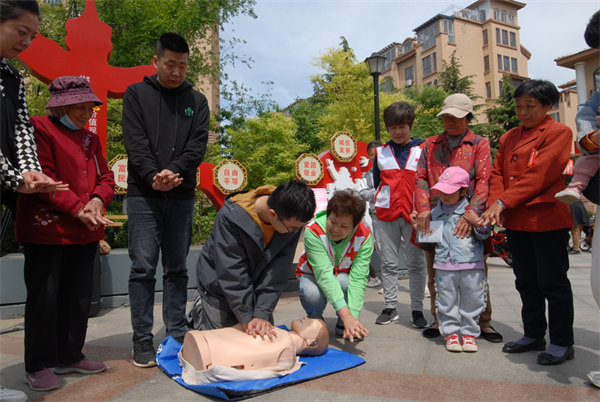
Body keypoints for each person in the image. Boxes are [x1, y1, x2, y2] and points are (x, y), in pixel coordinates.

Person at [15, 76, 115, 391]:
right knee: (45, 298)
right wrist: (78, 208)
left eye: (89, 108)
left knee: (78, 296)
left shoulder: (90, 140)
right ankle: (39, 363)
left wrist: (98, 200)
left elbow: (106, 176)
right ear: (61, 106)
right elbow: (43, 177)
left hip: (85, 230)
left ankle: (70, 354)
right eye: (80, 107)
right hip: (48, 229)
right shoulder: (39, 128)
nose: (87, 114)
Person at [122, 32, 209, 368]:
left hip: (181, 193)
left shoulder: (197, 102)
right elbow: (135, 141)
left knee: (176, 267)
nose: (176, 71)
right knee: (142, 266)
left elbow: (197, 146)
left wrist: (173, 172)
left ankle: (175, 330)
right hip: (144, 194)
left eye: (182, 66)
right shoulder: (136, 94)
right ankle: (141, 338)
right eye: (170, 64)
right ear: (156, 61)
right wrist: (153, 177)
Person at [481, 79, 575, 366]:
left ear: (547, 106)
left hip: (546, 218)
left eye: (530, 106)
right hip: (517, 221)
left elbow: (540, 175)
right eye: (518, 106)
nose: (522, 112)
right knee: (526, 282)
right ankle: (534, 334)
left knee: (553, 283)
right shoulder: (509, 137)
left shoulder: (559, 132)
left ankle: (561, 341)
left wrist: (503, 202)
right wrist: (494, 204)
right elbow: (497, 173)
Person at [415, 93, 502, 343]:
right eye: (446, 117)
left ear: (468, 118)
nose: (450, 121)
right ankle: (439, 319)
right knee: (436, 268)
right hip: (434, 214)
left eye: (457, 117)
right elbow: (420, 177)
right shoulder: (430, 144)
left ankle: (482, 323)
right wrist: (422, 208)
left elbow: (484, 179)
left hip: (468, 213)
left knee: (475, 270)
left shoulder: (478, 144)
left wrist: (471, 213)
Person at [191, 180, 316, 337]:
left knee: (262, 339)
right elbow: (232, 271)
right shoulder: (231, 217)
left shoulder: (291, 220)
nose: (296, 232)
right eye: (293, 228)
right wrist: (246, 316)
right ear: (273, 214)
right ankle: (200, 307)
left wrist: (261, 314)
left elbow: (277, 271)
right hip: (218, 286)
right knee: (222, 345)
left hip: (254, 287)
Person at [1, 0, 66, 233]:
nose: (26, 43)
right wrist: (16, 179)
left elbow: (21, 127)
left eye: (33, 37)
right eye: (21, 32)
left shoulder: (13, 76)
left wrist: (30, 169)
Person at [371, 102, 427, 328]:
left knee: (416, 263)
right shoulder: (381, 152)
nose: (398, 131)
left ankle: (417, 309)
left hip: (415, 215)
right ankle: (391, 306)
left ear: (410, 125)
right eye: (392, 127)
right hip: (387, 213)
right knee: (389, 263)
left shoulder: (422, 148)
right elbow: (377, 183)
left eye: (402, 126)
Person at [426, 167, 489, 353]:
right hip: (444, 265)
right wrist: (419, 226)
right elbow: (430, 239)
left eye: (450, 191)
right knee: (446, 300)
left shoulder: (471, 212)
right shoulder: (435, 212)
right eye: (442, 190)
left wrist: (478, 222)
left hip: (471, 263)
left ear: (463, 191)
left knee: (473, 299)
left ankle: (469, 333)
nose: (444, 195)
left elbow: (484, 235)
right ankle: (451, 333)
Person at [296, 189, 373, 342]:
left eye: (344, 226)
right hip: (313, 274)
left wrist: (352, 318)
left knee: (345, 282)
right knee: (311, 293)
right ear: (328, 214)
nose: (335, 229)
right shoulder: (313, 231)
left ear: (355, 225)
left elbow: (358, 279)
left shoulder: (364, 238)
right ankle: (316, 321)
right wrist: (347, 315)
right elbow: (323, 273)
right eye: (332, 221)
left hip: (341, 275)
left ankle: (343, 326)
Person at [179, 317, 328, 384]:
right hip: (202, 343)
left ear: (312, 342)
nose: (305, 317)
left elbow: (260, 362)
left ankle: (208, 351)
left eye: (312, 323)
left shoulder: (287, 347)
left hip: (207, 351)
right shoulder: (286, 338)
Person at [359, 140, 382, 288]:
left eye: (378, 153)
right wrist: (384, 192)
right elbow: (362, 193)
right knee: (383, 251)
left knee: (411, 251)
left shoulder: (396, 170)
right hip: (378, 215)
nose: (375, 157)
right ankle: (389, 290)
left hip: (400, 214)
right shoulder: (367, 176)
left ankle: (423, 285)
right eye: (372, 155)